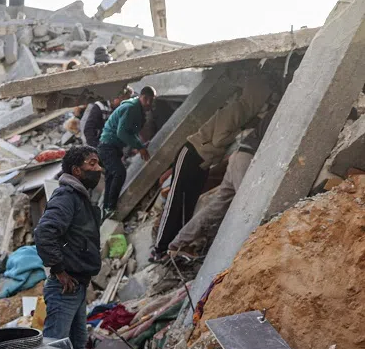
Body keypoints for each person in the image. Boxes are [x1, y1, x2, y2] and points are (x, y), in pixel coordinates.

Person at [151, 75, 273, 259]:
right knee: (175, 200)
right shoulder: (238, 109)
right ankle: (160, 249)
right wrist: (240, 132)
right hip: (192, 154)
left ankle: (181, 245)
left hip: (203, 160)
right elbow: (219, 139)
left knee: (190, 202)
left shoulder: (244, 112)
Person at [167, 110, 274, 259]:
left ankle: (179, 243)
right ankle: (257, 252)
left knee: (217, 206)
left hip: (239, 156)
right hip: (247, 158)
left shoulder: (273, 112)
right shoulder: (283, 111)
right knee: (251, 207)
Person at [34, 146, 102, 349]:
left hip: (77, 286)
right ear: (77, 170)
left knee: (76, 346)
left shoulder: (80, 197)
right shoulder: (67, 196)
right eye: (92, 164)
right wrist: (59, 271)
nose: (98, 168)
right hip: (65, 287)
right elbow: (44, 232)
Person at [97, 86, 156, 215]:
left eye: (151, 100)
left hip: (113, 146)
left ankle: (106, 209)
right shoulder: (131, 108)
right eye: (146, 99)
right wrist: (140, 147)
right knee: (119, 173)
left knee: (111, 177)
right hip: (108, 146)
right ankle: (110, 208)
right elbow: (122, 132)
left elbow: (130, 132)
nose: (148, 103)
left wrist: (140, 145)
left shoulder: (138, 110)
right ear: (140, 97)